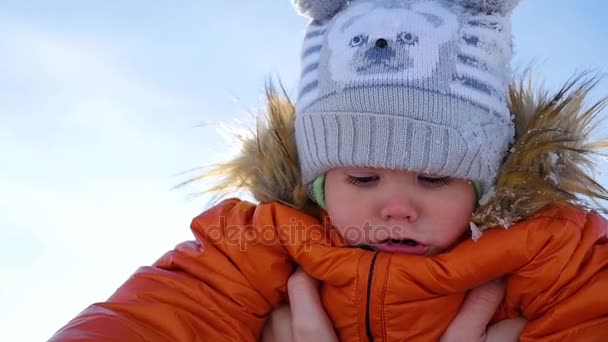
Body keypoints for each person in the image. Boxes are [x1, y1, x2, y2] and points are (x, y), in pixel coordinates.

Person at [50, 0, 608, 341]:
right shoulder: (258, 245)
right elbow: (162, 317)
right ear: (318, 185)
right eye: (363, 179)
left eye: (435, 178)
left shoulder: (554, 254)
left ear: (485, 185)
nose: (397, 207)